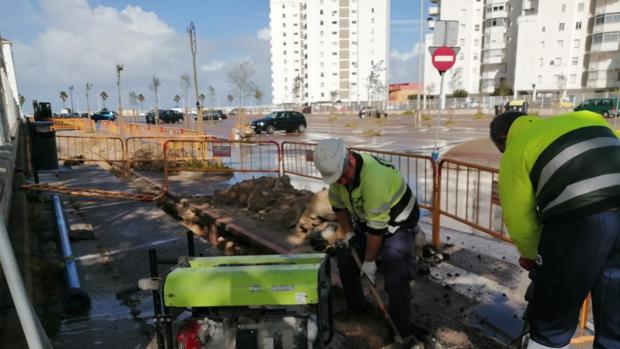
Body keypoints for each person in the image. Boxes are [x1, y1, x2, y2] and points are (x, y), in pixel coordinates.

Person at [490, 110, 620, 349]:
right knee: (615, 317)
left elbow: (520, 222)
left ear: (502, 139)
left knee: (552, 321)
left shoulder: (517, 148)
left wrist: (532, 257)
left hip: (581, 221)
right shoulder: (576, 121)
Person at [313, 138, 420, 341]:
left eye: (343, 177)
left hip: (400, 222)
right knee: (346, 261)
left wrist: (369, 262)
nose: (341, 182)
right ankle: (356, 307)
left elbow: (377, 229)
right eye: (337, 180)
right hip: (369, 221)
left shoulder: (374, 179)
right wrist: (349, 233)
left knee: (396, 272)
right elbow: (339, 207)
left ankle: (401, 331)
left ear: (351, 159)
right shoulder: (339, 179)